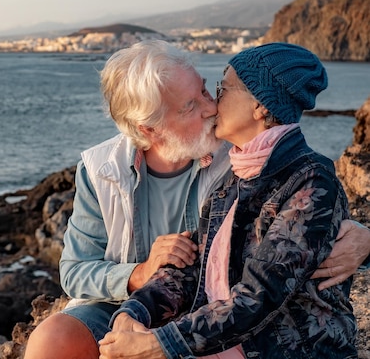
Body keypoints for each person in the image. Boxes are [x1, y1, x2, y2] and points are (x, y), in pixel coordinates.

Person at [24, 40, 370, 359]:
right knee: (54, 340)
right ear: (150, 128)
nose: (211, 107)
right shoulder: (104, 170)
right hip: (163, 306)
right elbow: (80, 270)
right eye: (192, 103)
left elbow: (299, 208)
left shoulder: (238, 158)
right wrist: (136, 290)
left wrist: (360, 235)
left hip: (237, 322)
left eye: (211, 89)